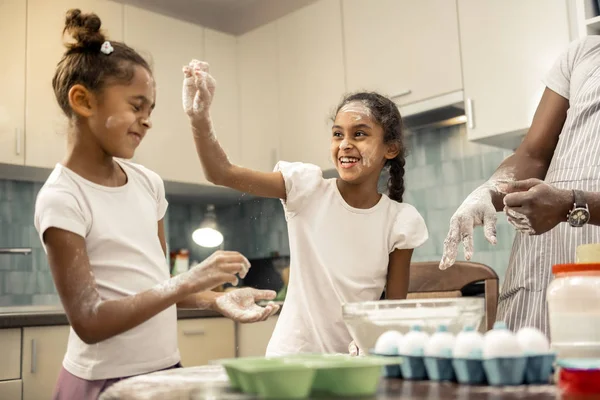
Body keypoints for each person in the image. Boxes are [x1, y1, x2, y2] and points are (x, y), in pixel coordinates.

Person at [34, 10, 278, 399]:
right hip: (101, 382)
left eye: (151, 111)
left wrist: (217, 299)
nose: (146, 121)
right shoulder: (63, 197)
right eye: (136, 106)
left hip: (163, 370)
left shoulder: (148, 184)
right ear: (82, 100)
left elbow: (161, 289)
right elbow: (90, 321)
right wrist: (192, 278)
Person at [181, 60, 429, 355]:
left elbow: (392, 311)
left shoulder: (400, 221)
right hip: (291, 360)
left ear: (390, 148)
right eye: (338, 134)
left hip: (353, 365)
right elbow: (221, 173)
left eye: (359, 134)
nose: (345, 144)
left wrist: (375, 343)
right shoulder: (306, 189)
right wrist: (199, 119)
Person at [439, 36, 600, 336]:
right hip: (540, 267)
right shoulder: (583, 54)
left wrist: (572, 203)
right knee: (520, 374)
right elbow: (532, 154)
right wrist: (488, 191)